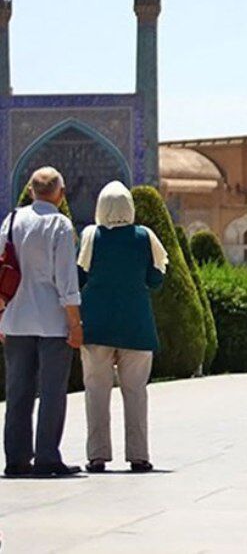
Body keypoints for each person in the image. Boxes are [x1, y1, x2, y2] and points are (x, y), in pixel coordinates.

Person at [77, 181, 168, 473]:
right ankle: (139, 456)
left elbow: (79, 277)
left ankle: (97, 456)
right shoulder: (144, 236)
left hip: (96, 327)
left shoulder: (91, 236)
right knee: (136, 393)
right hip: (136, 327)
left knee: (96, 392)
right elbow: (156, 280)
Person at [0, 167, 83, 477]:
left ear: (31, 191)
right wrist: (74, 323)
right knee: (51, 392)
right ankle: (47, 457)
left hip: (16, 319)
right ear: (60, 195)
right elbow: (66, 279)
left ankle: (17, 460)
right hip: (53, 322)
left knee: (18, 391)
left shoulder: (11, 220)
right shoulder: (59, 224)